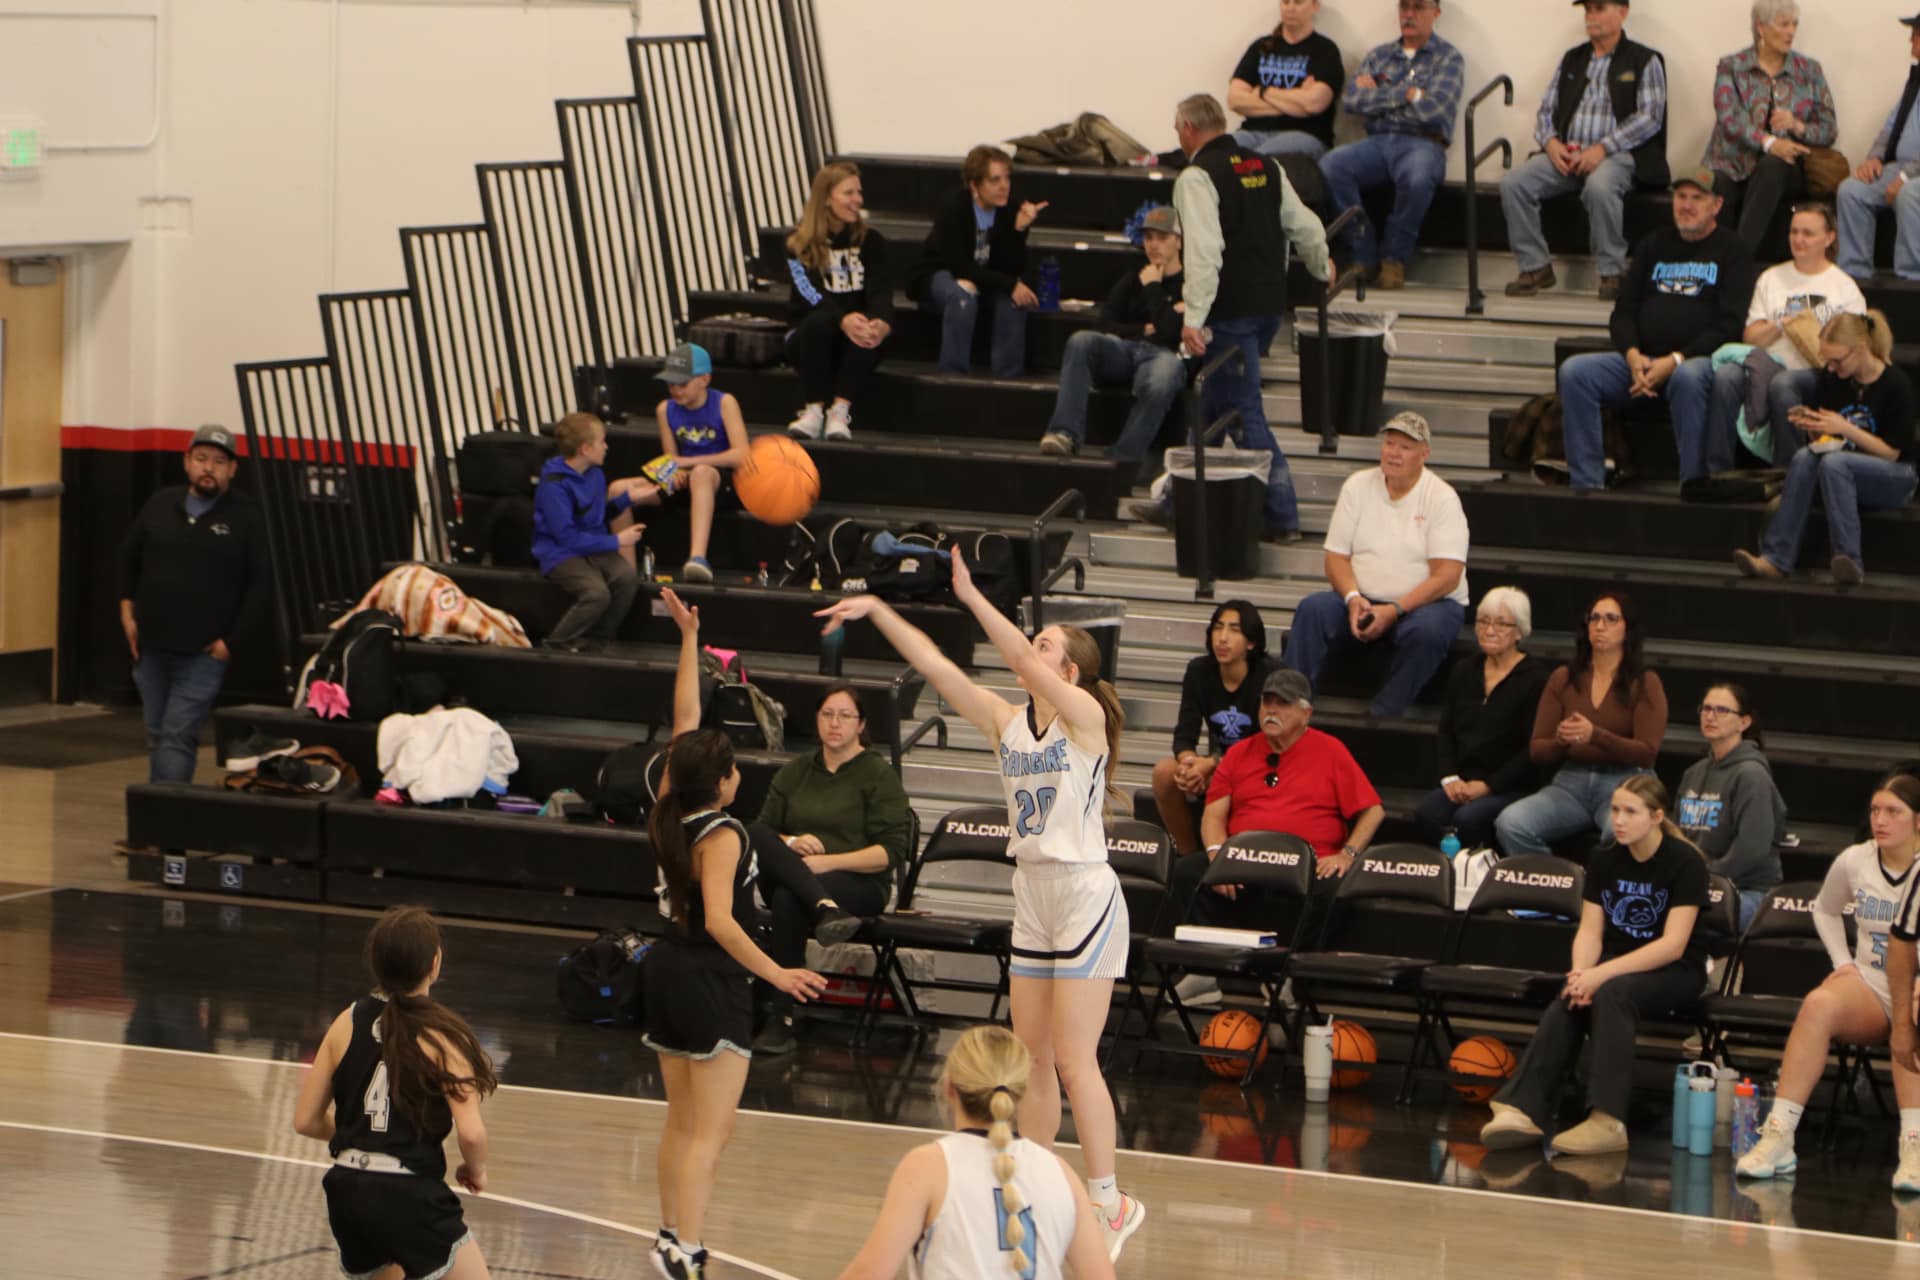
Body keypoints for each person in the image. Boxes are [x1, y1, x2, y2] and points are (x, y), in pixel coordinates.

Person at [816, 554, 1146, 1261]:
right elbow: (936, 667)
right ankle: (1039, 1181)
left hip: (1084, 892)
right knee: (1033, 1056)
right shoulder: (1006, 722)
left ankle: (1109, 1201)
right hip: (1032, 891)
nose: (1032, 651)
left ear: (1070, 672)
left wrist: (970, 595)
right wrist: (878, 611)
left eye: (1046, 645)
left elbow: (1019, 657)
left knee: (1077, 1060)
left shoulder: (1086, 720)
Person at [644, 727, 829, 1280]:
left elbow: (679, 741)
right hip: (709, 977)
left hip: (667, 970)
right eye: (735, 769)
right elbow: (721, 923)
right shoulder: (723, 834)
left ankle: (670, 1235)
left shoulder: (665, 815)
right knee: (710, 1131)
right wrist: (779, 974)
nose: (740, 776)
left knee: (681, 1122)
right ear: (722, 781)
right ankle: (687, 1250)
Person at [1128, 92, 1330, 542]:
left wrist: (1194, 316)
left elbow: (1204, 250)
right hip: (1267, 309)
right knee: (1210, 410)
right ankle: (1176, 502)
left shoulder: (1197, 177)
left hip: (1228, 313)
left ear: (1187, 129)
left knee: (1243, 412)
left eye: (1177, 128)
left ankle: (1282, 514)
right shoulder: (1266, 165)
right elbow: (1305, 226)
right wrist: (1321, 265)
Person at [1480, 775, 1708, 1155]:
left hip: (1677, 971)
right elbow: (1589, 932)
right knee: (1572, 995)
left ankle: (1608, 1120)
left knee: (1612, 992)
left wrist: (1599, 975)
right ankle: (1521, 1109)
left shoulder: (1685, 862)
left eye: (1630, 812)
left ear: (1656, 816)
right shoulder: (1605, 858)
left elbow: (1673, 945)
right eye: (1615, 810)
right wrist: (1581, 975)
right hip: (1616, 966)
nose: (1618, 820)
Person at [292, 906, 499, 1280]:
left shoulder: (346, 1021)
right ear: (434, 964)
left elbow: (305, 1120)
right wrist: (476, 1169)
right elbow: (471, 1134)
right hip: (408, 1193)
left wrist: (364, 1136)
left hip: (347, 1191)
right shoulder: (443, 1035)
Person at [1163, 668, 1386, 1007]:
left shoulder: (1331, 751)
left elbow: (1373, 811)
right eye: (1266, 702)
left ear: (1306, 713)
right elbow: (1213, 815)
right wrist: (1218, 855)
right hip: (1246, 858)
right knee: (1188, 871)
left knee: (1336, 887)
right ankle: (1202, 971)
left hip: (1308, 861)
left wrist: (1348, 853)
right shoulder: (1239, 753)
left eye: (1282, 704)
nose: (1271, 711)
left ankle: (1292, 977)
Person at [1740, 774, 1920, 1188]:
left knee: (1913, 1013)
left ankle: (1912, 1145)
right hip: (1871, 983)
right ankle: (1779, 1135)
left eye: (1893, 811)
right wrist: (1843, 962)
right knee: (1817, 1004)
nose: (1880, 820)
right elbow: (1824, 909)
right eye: (1875, 810)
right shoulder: (1855, 860)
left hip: (1914, 988)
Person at [835, 1025, 1116, 1280]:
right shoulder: (1060, 1172)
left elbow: (868, 1274)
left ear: (949, 1087)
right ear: (1020, 1092)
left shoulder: (926, 1167)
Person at [1555, 169, 1754, 493]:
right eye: (1681, 197)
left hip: (1698, 362)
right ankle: (1587, 485)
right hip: (1642, 362)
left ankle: (1693, 485)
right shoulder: (1653, 244)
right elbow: (1623, 312)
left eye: (1697, 198)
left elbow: (1730, 325)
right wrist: (1633, 356)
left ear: (1717, 205)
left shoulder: (1734, 250)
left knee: (1688, 376)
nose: (1686, 205)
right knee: (1575, 372)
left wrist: (1675, 360)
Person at [752, 682, 913, 1056]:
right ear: (817, 719)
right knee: (753, 833)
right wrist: (792, 841)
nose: (834, 723)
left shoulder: (878, 775)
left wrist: (828, 862)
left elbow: (892, 851)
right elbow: (764, 831)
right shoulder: (796, 771)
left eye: (844, 716)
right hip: (798, 875)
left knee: (788, 898)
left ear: (861, 724)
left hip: (857, 885)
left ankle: (782, 1016)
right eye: (827, 714)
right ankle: (824, 908)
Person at [1283, 412, 1469, 717]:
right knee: (1312, 610)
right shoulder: (1357, 485)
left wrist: (1395, 610)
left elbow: (1448, 576)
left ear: (1425, 454)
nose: (1394, 453)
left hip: (1426, 604)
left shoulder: (1442, 498)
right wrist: (1352, 598)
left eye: (1405, 447)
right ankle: (1292, 708)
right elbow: (1335, 557)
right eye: (1389, 443)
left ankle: (1382, 715)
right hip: (1363, 598)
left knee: (1428, 631)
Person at [118, 424, 271, 786]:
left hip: (203, 653)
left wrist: (230, 643)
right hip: (152, 645)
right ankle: (159, 813)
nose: (209, 468)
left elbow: (260, 584)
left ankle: (166, 818)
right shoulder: (160, 504)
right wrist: (127, 613)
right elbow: (128, 559)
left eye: (219, 461)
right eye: (201, 458)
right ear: (186, 461)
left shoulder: (246, 516)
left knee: (177, 735)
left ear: (232, 469)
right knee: (157, 733)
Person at [1734, 310, 1918, 586]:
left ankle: (1849, 559)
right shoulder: (1833, 380)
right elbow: (1829, 443)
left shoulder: (1896, 385)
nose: (1831, 368)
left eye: (1837, 361)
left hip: (1897, 477)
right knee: (1805, 456)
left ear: (1860, 349)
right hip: (1844, 470)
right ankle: (1775, 559)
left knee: (1835, 463)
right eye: (1827, 361)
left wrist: (1845, 428)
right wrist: (1815, 429)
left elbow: (1893, 453)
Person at [1501, 1, 1669, 301]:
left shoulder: (1644, 60)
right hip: (1568, 153)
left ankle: (1611, 272)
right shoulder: (1573, 59)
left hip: (1619, 156)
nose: (1591, 16)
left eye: (1599, 8)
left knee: (1600, 186)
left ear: (1623, 12)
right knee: (1514, 183)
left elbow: (1649, 118)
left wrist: (1602, 149)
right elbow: (1546, 111)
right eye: (1588, 10)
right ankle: (1535, 266)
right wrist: (1551, 144)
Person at [1494, 592, 1668, 856]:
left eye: (1611, 619)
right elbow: (1537, 750)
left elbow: (1647, 753)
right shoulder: (1564, 678)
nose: (1600, 626)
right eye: (1594, 618)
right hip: (1571, 782)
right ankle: (1556, 878)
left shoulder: (1645, 682)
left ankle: (1597, 881)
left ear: (1628, 629)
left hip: (1624, 781)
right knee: (1511, 823)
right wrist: (1562, 741)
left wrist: (1595, 735)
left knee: (1620, 831)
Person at [1317, 0, 1465, 290]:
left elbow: (1436, 111)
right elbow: (1353, 101)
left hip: (1423, 143)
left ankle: (1393, 259)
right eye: (1404, 7)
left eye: (1418, 7)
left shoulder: (1448, 58)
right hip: (1378, 141)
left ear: (1435, 13)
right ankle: (1363, 254)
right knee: (1332, 165)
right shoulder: (1380, 56)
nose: (1409, 15)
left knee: (1418, 176)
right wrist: (1407, 95)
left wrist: (1381, 99)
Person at [1707, 203, 1866, 472]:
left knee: (1784, 384)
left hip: (1817, 372)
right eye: (1794, 232)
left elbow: (1856, 345)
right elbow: (1751, 338)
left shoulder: (1844, 287)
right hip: (1769, 364)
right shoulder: (1771, 278)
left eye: (1808, 233)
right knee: (1726, 376)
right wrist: (1781, 325)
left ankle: (1788, 474)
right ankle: (1717, 473)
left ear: (1829, 238)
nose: (1798, 239)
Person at [1037, 204, 1188, 478]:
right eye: (1148, 238)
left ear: (1178, 241)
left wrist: (1153, 287)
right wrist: (1143, 329)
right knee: (1082, 341)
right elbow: (1104, 323)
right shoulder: (1134, 276)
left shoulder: (1190, 283)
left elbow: (1170, 333)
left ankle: (1122, 460)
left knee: (1164, 375)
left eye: (1162, 237)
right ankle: (1064, 433)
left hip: (1165, 356)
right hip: (1126, 350)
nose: (1153, 245)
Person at [1414, 587, 1549, 850]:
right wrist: (1450, 778)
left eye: (1501, 624)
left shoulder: (1537, 679)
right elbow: (1446, 730)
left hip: (1511, 785)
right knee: (1428, 813)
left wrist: (1489, 786)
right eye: (1483, 622)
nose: (1489, 630)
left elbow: (1530, 750)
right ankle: (1445, 871)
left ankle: (1478, 872)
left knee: (1468, 819)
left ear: (1519, 631)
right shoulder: (1464, 670)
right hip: (1463, 781)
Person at [1701, 0, 1837, 252]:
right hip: (1733, 162)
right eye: (1783, 24)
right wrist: (1769, 142)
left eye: (1794, 24)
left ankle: (1739, 256)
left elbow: (1829, 129)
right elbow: (1729, 118)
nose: (1791, 31)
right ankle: (1714, 260)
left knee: (1774, 165)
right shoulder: (1731, 66)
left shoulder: (1809, 70)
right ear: (1761, 27)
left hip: (1785, 170)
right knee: (1719, 183)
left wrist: (1797, 126)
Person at [1151, 600, 1278, 858]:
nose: (1223, 638)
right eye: (1218, 628)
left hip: (1261, 767)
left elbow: (1264, 744)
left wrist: (1210, 763)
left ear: (1251, 642)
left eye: (1234, 630)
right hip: (1219, 767)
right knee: (1165, 772)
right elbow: (1184, 735)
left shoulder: (1270, 675)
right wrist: (1189, 765)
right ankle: (1188, 856)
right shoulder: (1199, 671)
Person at [908, 146, 1045, 379]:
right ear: (975, 185)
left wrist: (1018, 230)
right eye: (995, 180)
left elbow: (1011, 268)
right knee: (963, 293)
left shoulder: (1011, 209)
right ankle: (953, 377)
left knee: (1013, 301)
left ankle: (1009, 381)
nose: (1004, 186)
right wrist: (1010, 284)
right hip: (941, 276)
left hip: (983, 280)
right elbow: (959, 267)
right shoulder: (954, 208)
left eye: (1007, 178)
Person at [784, 161, 894, 441]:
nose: (858, 199)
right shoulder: (797, 244)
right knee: (819, 322)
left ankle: (840, 411)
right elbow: (808, 292)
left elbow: (881, 289)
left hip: (853, 338)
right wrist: (841, 319)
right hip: (808, 336)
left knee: (868, 327)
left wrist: (882, 321)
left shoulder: (872, 241)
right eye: (848, 193)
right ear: (826, 198)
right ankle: (813, 410)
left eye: (859, 192)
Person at [1673, 682, 1787, 931]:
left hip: (1747, 891)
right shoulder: (1693, 774)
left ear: (1744, 723)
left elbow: (1752, 849)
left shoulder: (1752, 775)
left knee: (1679, 920)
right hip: (1698, 886)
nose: (1710, 716)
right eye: (1706, 708)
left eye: (1722, 710)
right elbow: (1677, 837)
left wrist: (1702, 880)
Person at [531, 412, 647, 652]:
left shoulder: (595, 474)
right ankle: (555, 645)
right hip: (560, 552)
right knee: (596, 593)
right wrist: (617, 540)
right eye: (602, 441)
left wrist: (627, 499)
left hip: (592, 543)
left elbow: (598, 515)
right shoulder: (554, 486)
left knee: (627, 577)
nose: (606, 446)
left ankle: (597, 641)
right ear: (585, 449)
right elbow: (567, 538)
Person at [650, 343, 750, 584]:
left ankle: (697, 557)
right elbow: (670, 459)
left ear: (704, 379)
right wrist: (674, 473)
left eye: (682, 384)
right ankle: (628, 568)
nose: (675, 390)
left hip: (722, 479)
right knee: (620, 489)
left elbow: (741, 455)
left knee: (702, 473)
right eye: (670, 384)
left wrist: (689, 462)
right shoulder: (664, 409)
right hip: (687, 480)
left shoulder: (724, 403)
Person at [1836, 15, 1920, 283]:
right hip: (1903, 167)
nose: (1910, 39)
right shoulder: (1915, 81)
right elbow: (1891, 127)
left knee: (1908, 195)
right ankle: (1855, 276)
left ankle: (1911, 281)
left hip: (1913, 175)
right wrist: (1875, 157)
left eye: (1916, 34)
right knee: (1851, 190)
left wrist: (1905, 177)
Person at [1227, 0, 1344, 162]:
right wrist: (1297, 101)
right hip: (1252, 131)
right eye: (1285, 2)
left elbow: (1314, 103)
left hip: (1304, 135)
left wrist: (1263, 91)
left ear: (1314, 6)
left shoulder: (1325, 50)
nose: (1290, 8)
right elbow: (1234, 100)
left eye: (1298, 2)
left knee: (1258, 162)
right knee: (1220, 154)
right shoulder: (1260, 47)